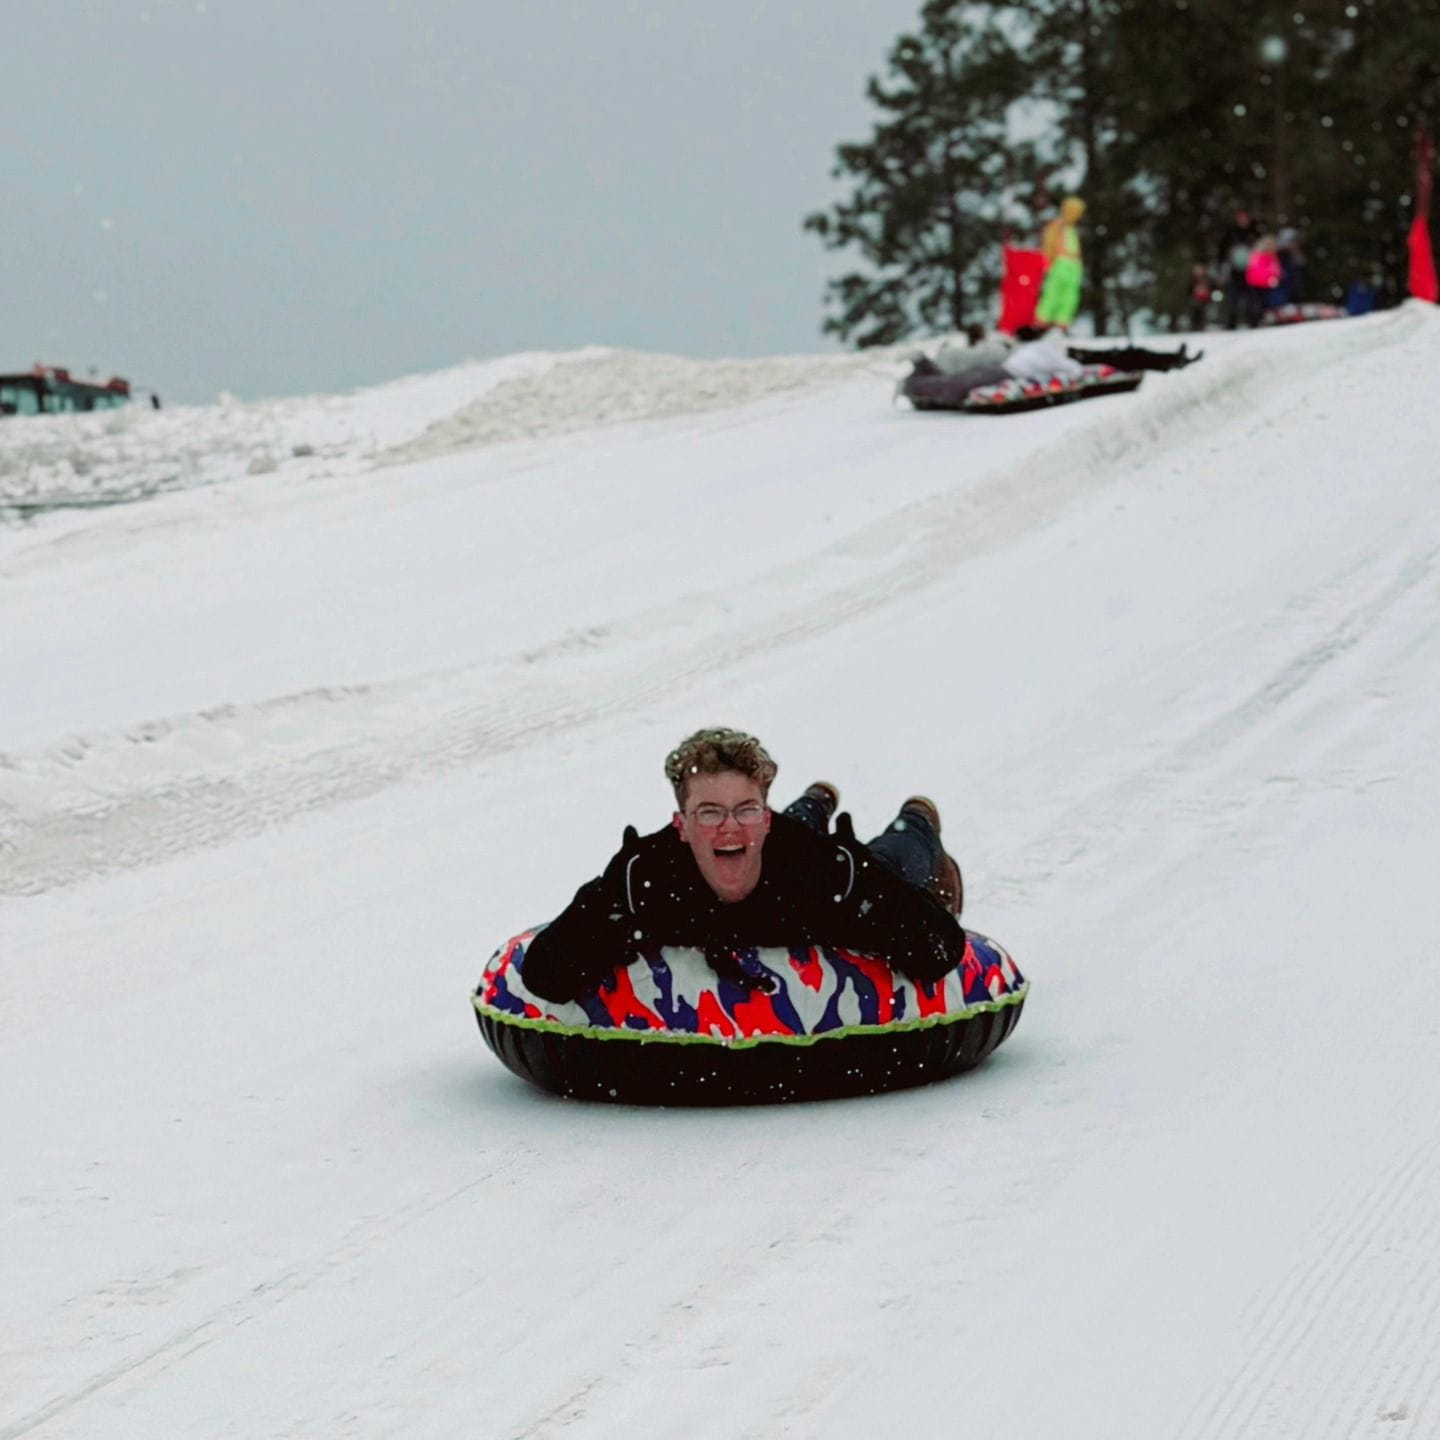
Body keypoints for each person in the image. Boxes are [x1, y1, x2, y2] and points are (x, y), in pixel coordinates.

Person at [520, 727, 966, 1004]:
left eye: (746, 808)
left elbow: (941, 950)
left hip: (801, 849)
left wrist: (873, 908)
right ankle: (813, 801)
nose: (728, 827)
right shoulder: (647, 879)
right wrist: (614, 924)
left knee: (890, 856)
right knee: (768, 834)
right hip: (776, 842)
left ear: (764, 817)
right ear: (681, 825)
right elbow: (546, 975)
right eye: (709, 812)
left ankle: (918, 823)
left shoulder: (821, 871)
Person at [1034, 196, 1086, 331]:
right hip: (1061, 263)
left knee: (1070, 295)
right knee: (1053, 291)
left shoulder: (1072, 228)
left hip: (1073, 266)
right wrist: (1048, 261)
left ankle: (1062, 322)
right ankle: (1042, 320)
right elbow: (1048, 244)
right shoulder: (1057, 226)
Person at [1217, 208, 1260, 330]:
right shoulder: (1230, 232)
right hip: (1234, 271)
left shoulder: (1255, 231)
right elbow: (1221, 253)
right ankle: (1231, 324)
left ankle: (1254, 322)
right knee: (1233, 300)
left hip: (1251, 271)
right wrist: (1221, 270)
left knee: (1252, 299)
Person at [1245, 234, 1282, 322]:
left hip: (1263, 283)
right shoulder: (1259, 255)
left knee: (1261, 303)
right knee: (1258, 303)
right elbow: (1257, 270)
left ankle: (1260, 318)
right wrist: (1272, 276)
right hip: (1257, 283)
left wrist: (1274, 277)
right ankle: (1257, 319)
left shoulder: (1269, 256)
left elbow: (1276, 270)